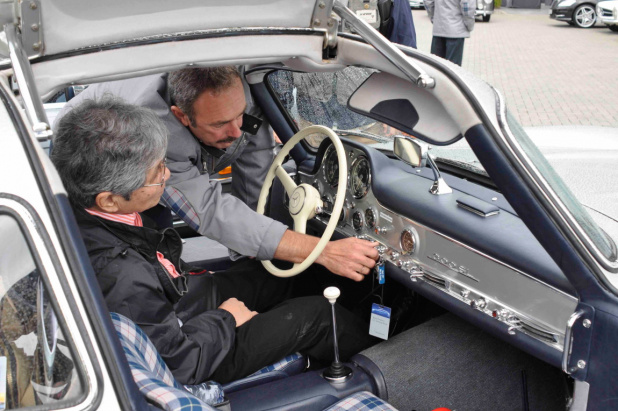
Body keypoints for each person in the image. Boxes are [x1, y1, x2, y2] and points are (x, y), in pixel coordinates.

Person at [50, 96, 376, 384]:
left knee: (285, 273)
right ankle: (384, 363)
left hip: (178, 302)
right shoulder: (123, 277)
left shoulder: (94, 214)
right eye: (156, 173)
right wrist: (226, 318)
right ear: (109, 200)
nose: (167, 175)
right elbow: (181, 364)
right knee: (318, 316)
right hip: (201, 353)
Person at [56, 67, 378, 282]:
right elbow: (210, 212)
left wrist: (251, 256)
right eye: (221, 124)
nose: (236, 131)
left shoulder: (243, 83)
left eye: (240, 115)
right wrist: (322, 250)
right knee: (151, 252)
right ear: (182, 116)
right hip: (102, 166)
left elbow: (256, 169)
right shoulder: (156, 137)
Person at [425, 0, 475, 66]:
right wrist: (469, 25)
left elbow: (428, 2)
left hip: (438, 29)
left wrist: (433, 18)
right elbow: (467, 6)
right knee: (452, 68)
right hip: (456, 31)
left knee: (436, 67)